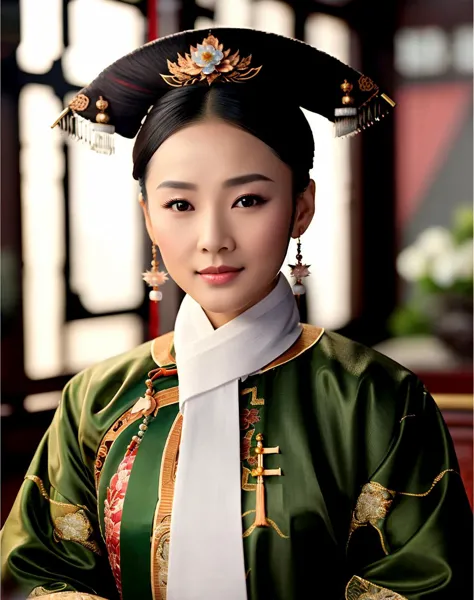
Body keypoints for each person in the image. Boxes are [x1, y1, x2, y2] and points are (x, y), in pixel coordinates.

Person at [1, 27, 472, 600]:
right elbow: (34, 573)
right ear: (148, 216)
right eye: (180, 204)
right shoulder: (95, 401)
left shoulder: (376, 399)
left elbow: (425, 580)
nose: (212, 238)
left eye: (248, 200)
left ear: (302, 207)